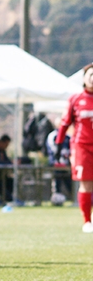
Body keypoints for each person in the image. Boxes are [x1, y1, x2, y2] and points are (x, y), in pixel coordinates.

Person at [54, 62, 93, 233]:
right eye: (90, 75)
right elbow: (64, 124)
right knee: (86, 184)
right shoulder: (76, 99)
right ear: (84, 79)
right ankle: (87, 221)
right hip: (82, 146)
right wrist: (58, 146)